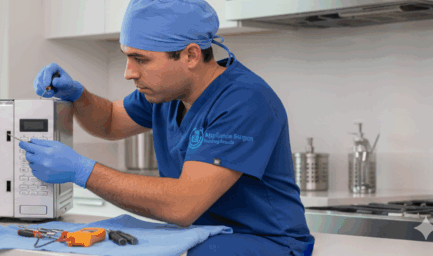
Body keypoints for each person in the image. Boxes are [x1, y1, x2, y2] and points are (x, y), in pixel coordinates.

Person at [18, 0, 314, 255]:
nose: (128, 72)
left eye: (141, 59)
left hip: (265, 242)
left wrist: (84, 171)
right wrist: (78, 96)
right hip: (200, 233)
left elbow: (182, 205)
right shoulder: (165, 94)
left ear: (190, 55)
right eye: (127, 56)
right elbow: (109, 119)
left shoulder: (244, 100)